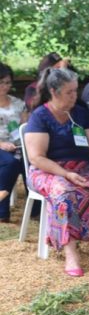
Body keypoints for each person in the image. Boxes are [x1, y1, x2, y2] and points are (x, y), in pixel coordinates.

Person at [24, 68, 89, 276]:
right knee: (64, 192)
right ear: (54, 91)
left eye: (75, 90)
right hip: (47, 170)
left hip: (81, 168)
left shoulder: (80, 113)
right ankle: (71, 251)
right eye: (69, 92)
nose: (74, 96)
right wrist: (65, 174)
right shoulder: (40, 116)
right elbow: (37, 157)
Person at [0, 63, 28, 221]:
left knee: (30, 161)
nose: (5, 86)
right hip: (1, 146)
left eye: (7, 82)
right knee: (10, 163)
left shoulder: (18, 103)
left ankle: (35, 209)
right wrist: (1, 144)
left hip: (18, 145)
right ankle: (2, 212)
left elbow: (26, 127)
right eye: (1, 82)